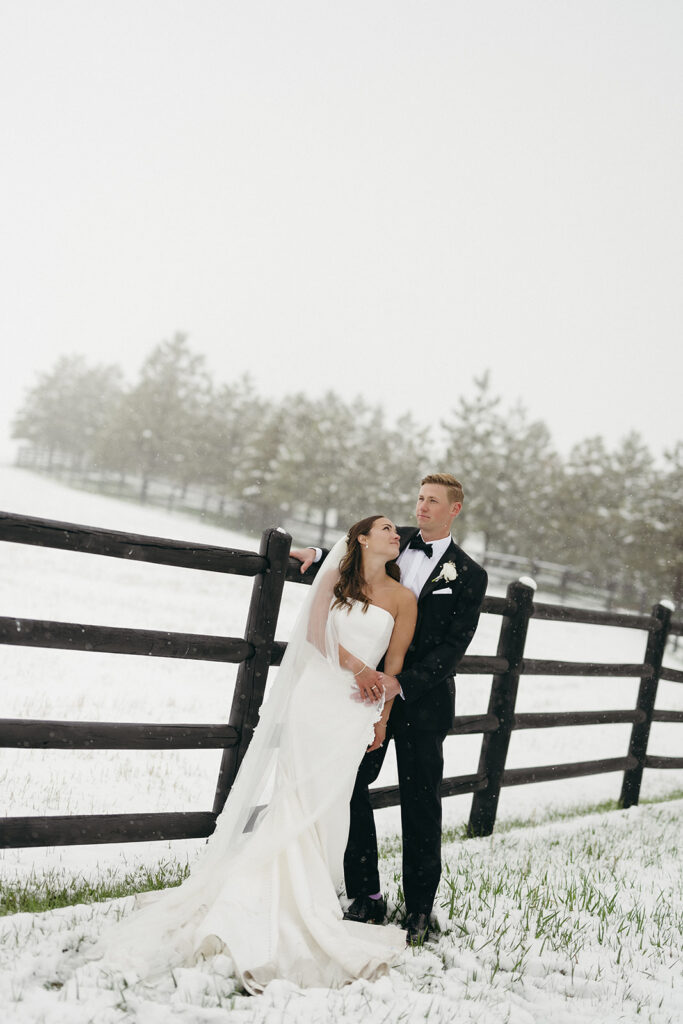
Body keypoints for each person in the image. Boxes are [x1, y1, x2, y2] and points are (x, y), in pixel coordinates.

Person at [93, 515, 417, 993]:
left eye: (397, 531)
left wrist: (382, 719)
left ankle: (310, 897)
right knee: (295, 794)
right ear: (362, 539)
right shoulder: (334, 579)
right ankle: (272, 898)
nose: (396, 535)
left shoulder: (403, 598)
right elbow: (314, 635)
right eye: (386, 528)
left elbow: (396, 665)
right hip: (317, 697)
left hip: (354, 715)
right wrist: (357, 668)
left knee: (329, 804)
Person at [291, 474, 487, 944]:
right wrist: (315, 556)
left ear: (453, 509)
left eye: (432, 501)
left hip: (423, 700)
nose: (421, 508)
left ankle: (419, 908)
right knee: (352, 781)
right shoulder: (394, 540)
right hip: (368, 697)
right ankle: (366, 894)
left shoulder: (469, 575)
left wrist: (404, 682)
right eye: (419, 498)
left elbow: (453, 647)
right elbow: (356, 554)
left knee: (421, 802)